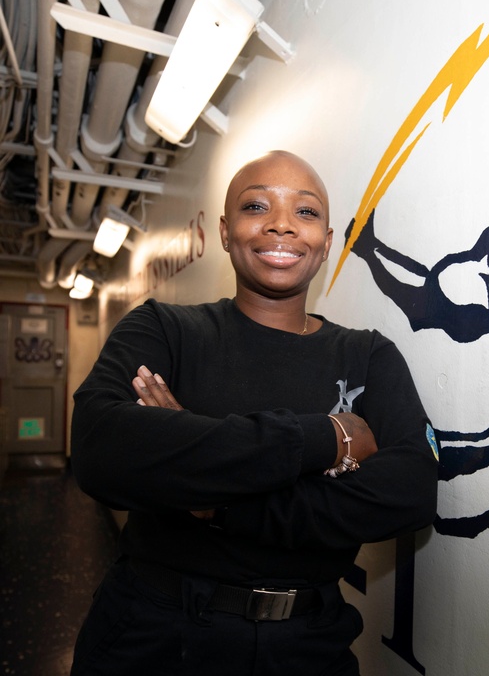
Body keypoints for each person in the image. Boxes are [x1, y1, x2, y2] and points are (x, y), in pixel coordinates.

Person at [69, 150, 439, 675]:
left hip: (309, 644)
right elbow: (100, 448)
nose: (282, 225)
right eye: (256, 206)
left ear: (327, 242)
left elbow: (409, 494)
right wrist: (325, 438)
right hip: (153, 635)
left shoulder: (367, 356)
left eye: (306, 212)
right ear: (225, 231)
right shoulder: (164, 330)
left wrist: (211, 498)